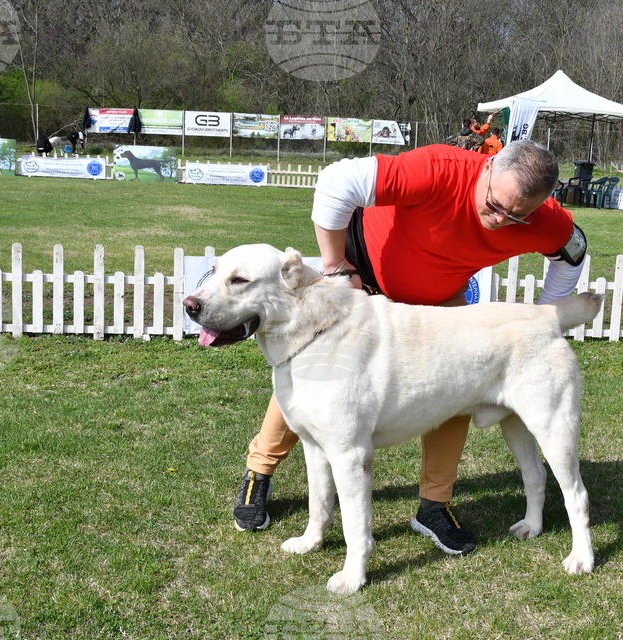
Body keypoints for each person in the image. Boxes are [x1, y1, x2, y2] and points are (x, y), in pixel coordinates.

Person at [233, 140, 588, 556]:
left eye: (516, 215)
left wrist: (540, 319)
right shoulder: (438, 168)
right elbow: (334, 182)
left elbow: (573, 254)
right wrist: (336, 265)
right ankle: (259, 473)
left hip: (438, 300)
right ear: (488, 167)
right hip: (363, 275)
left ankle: (435, 505)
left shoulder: (545, 220)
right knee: (309, 374)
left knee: (453, 390)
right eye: (495, 204)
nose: (500, 219)